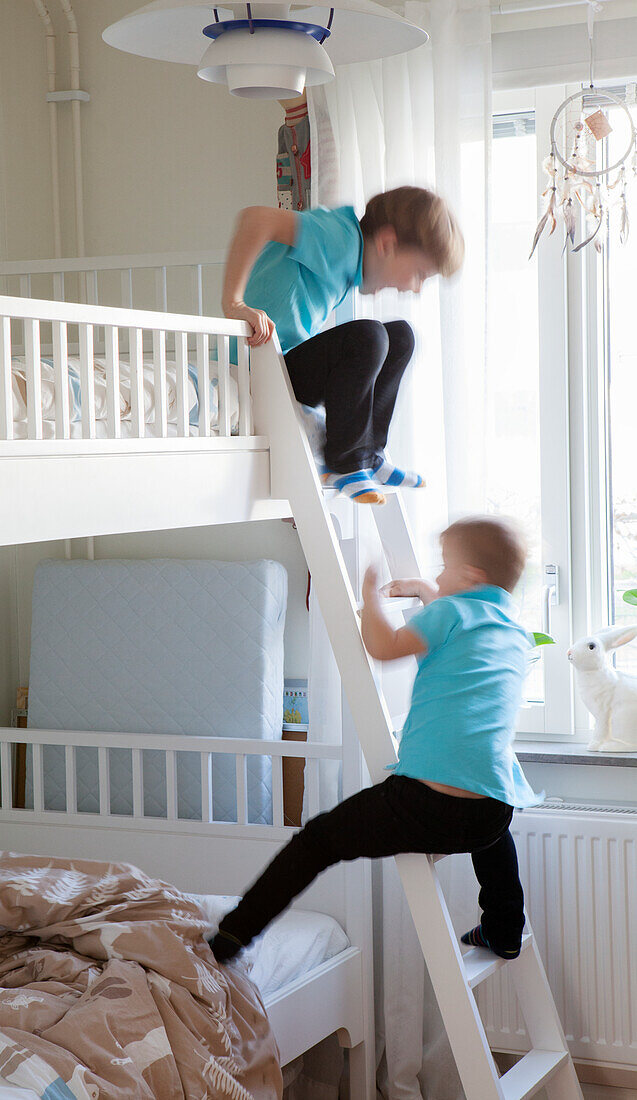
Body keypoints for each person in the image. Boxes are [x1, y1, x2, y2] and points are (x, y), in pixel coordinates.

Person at [209, 515, 541, 964]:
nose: (437, 576)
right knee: (492, 834)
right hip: (493, 808)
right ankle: (505, 930)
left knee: (316, 841)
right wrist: (427, 592)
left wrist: (369, 598)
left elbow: (383, 647)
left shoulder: (449, 612)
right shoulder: (513, 631)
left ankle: (232, 936)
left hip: (429, 803)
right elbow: (460, 618)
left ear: (471, 575)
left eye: (444, 567)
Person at [222, 186, 464, 503]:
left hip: (282, 367)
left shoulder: (348, 259)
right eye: (419, 274)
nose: (415, 289)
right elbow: (254, 219)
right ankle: (346, 463)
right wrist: (234, 304)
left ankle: (369, 454)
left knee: (401, 336)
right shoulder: (340, 239)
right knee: (369, 335)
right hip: (255, 368)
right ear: (388, 244)